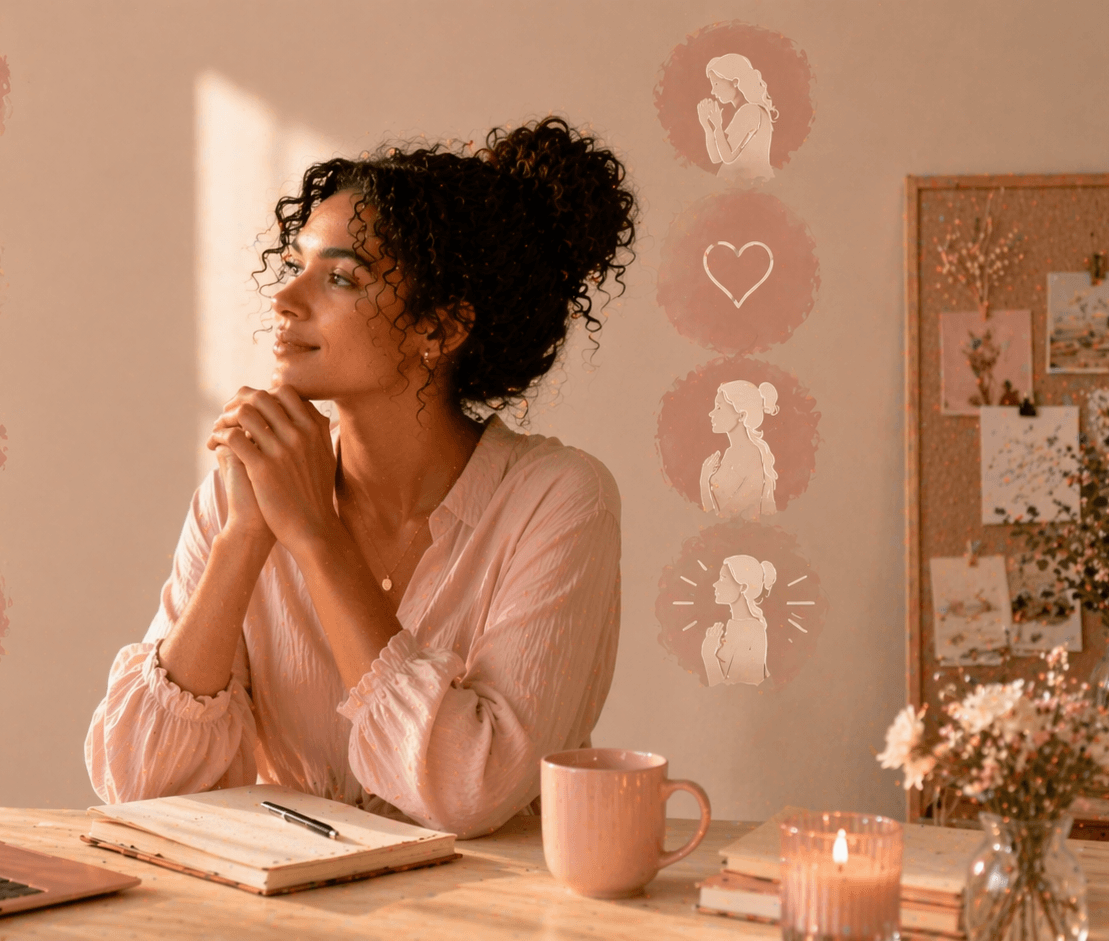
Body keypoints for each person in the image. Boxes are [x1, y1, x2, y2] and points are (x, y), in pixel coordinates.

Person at [84, 117, 635, 838]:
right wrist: (245, 537)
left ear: (440, 329)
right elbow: (139, 784)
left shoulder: (558, 499)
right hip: (286, 895)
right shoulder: (248, 486)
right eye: (296, 264)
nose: (285, 299)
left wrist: (317, 537)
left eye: (341, 277)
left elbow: (470, 787)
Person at [699, 380, 779, 519]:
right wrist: (704, 478)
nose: (711, 413)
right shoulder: (730, 453)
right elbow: (716, 514)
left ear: (741, 415)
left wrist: (704, 480)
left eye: (719, 407)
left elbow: (724, 521)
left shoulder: (752, 456)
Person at [696, 53, 777, 182]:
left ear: (735, 82)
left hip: (747, 185)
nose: (712, 91)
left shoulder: (750, 111)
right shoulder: (746, 112)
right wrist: (707, 126)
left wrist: (718, 127)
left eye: (716, 84)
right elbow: (716, 157)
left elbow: (727, 157)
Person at [700, 555, 776, 687]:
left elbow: (736, 690)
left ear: (743, 587)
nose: (715, 584)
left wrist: (708, 654)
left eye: (723, 578)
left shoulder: (754, 630)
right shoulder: (734, 626)